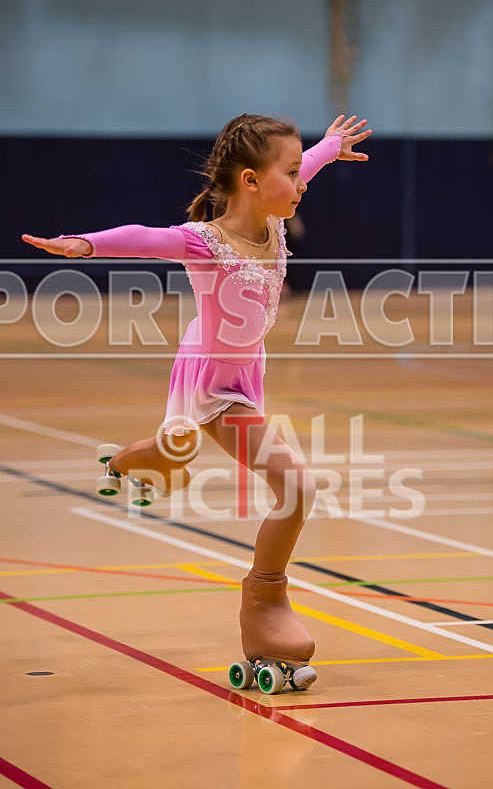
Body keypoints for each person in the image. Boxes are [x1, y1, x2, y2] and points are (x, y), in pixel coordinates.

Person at [21, 112, 371, 692]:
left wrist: (330, 147)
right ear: (252, 182)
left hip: (246, 373)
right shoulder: (206, 242)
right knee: (294, 484)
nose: (301, 179)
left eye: (299, 169)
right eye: (288, 171)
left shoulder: (275, 216)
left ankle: (124, 462)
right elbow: (142, 237)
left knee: (176, 458)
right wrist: (85, 244)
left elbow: (306, 163)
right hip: (212, 381)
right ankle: (263, 604)